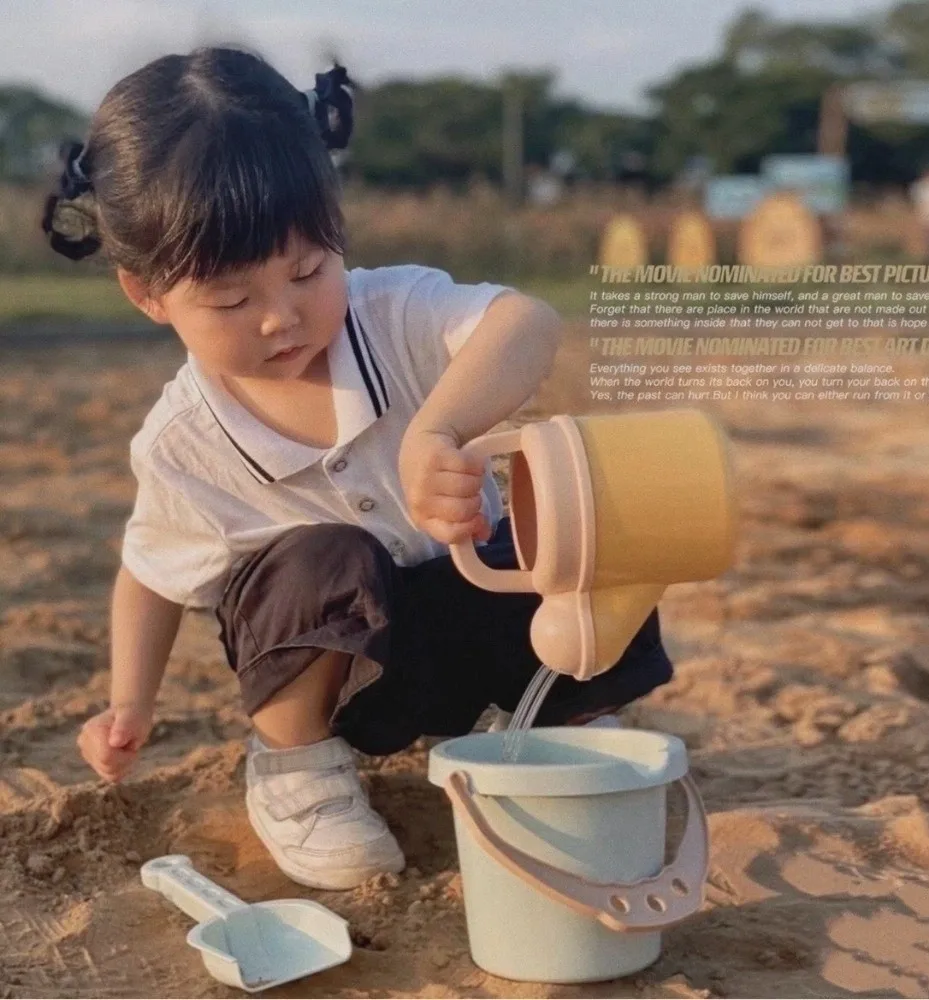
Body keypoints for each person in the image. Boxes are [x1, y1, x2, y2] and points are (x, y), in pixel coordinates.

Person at [45, 47, 673, 891]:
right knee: (324, 556)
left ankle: (575, 727)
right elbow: (151, 572)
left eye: (308, 271)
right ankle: (298, 772)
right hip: (344, 675)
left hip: (476, 616)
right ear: (146, 294)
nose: (282, 317)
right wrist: (131, 703)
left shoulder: (392, 314)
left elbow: (525, 322)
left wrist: (438, 430)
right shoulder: (182, 442)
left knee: (575, 506)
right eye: (231, 300)